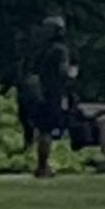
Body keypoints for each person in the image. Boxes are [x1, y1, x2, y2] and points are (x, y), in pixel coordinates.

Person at [17, 14, 76, 180]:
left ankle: (40, 165)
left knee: (40, 130)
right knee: (46, 131)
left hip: (36, 94)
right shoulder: (60, 49)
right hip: (51, 94)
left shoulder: (37, 49)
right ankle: (43, 167)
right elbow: (64, 72)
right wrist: (72, 74)